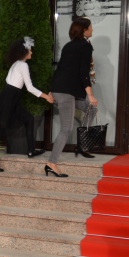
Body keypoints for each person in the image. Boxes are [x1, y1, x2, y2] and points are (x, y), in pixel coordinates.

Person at [0, 38, 54, 172]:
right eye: (30, 50)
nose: (31, 53)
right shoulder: (23, 65)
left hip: (10, 96)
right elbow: (29, 87)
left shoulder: (16, 64)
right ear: (25, 51)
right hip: (10, 97)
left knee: (28, 118)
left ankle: (30, 151)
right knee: (0, 129)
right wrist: (46, 96)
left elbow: (8, 80)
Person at [46, 17, 98, 177]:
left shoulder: (69, 46)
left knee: (91, 109)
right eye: (90, 27)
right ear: (84, 30)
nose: (92, 30)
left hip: (61, 89)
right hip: (66, 92)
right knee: (66, 129)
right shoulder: (85, 46)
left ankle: (82, 143)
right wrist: (90, 94)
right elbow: (84, 73)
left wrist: (51, 90)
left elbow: (60, 68)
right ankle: (51, 163)